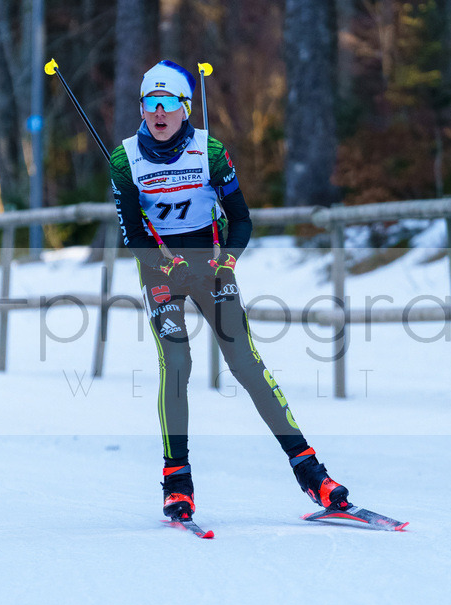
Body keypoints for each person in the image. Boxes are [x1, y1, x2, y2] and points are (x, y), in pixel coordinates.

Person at [109, 60, 350, 521]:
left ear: (186, 107)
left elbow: (241, 219)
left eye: (168, 104)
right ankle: (176, 482)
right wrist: (164, 264)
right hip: (160, 268)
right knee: (177, 363)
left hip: (211, 265)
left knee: (245, 363)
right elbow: (134, 234)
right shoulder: (124, 159)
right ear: (141, 109)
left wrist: (227, 261)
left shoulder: (211, 151)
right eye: (149, 104)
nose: (158, 114)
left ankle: (312, 474)